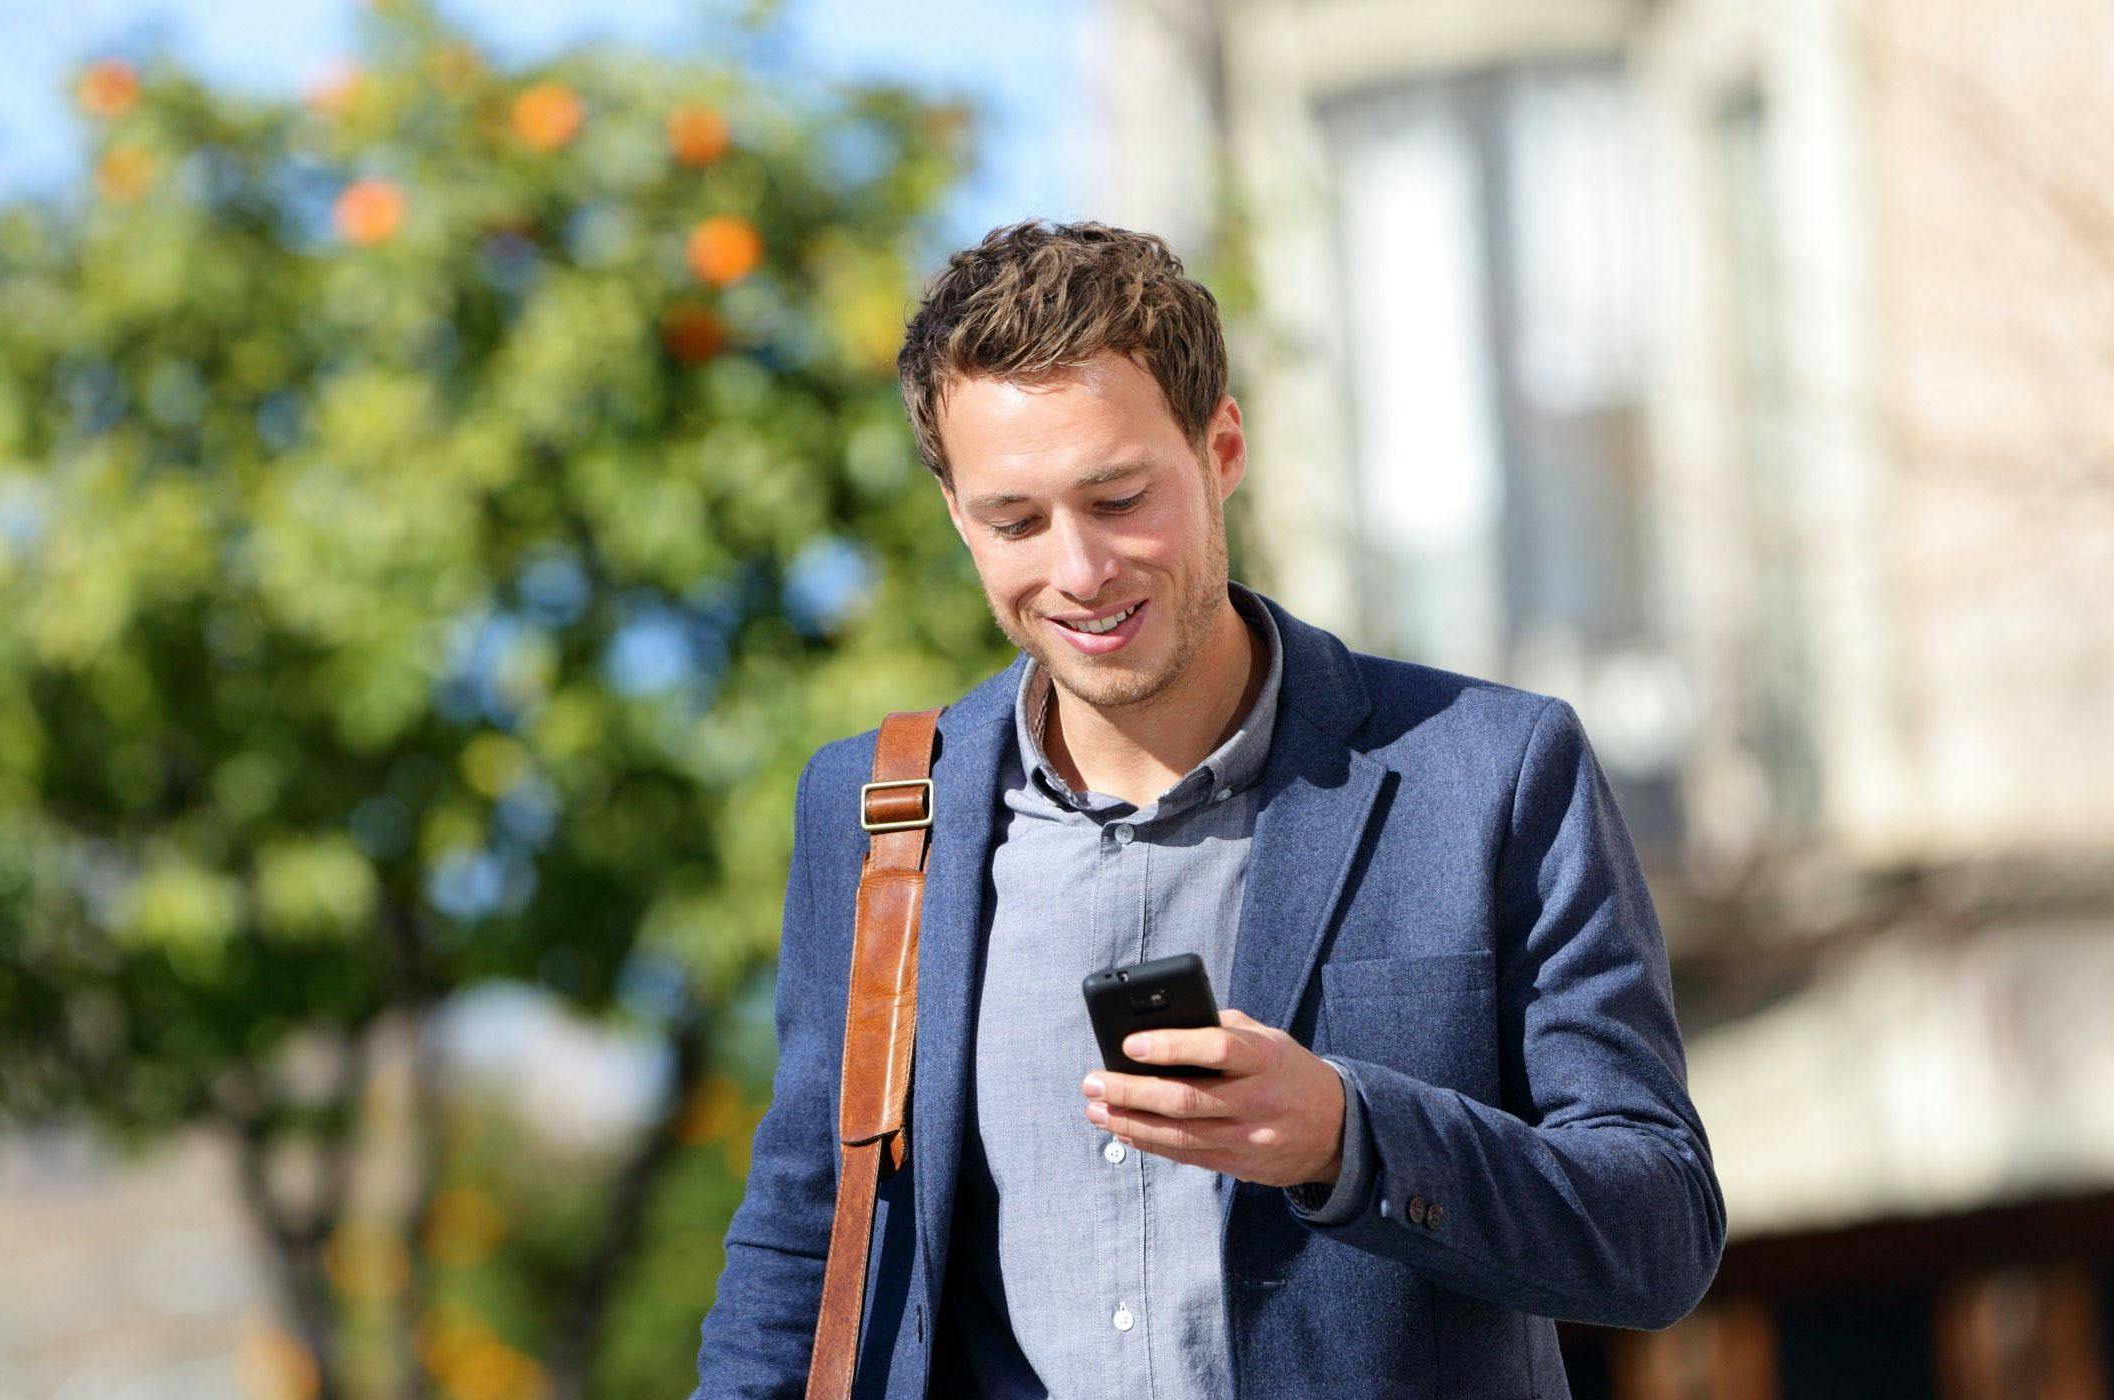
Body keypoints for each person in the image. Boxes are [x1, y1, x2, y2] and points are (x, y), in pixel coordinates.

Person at [693, 221, 1723, 1399]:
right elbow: (801, 1244)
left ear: (1222, 445)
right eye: (1014, 521)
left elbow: (1660, 1229)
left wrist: (1348, 1133)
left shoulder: (1490, 770)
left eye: (1119, 496)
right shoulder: (881, 811)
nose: (1077, 570)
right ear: (953, 512)